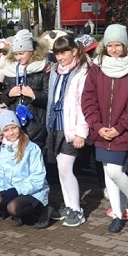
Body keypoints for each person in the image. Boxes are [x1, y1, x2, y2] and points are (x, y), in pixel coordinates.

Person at [81, 23, 128, 233]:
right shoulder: (97, 68)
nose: (115, 49)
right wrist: (97, 126)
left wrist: (120, 127)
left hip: (121, 131)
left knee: (116, 170)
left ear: (125, 45)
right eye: (111, 45)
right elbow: (88, 98)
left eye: (119, 45)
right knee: (108, 172)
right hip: (100, 130)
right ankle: (117, 213)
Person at [45, 34, 92, 227]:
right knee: (60, 167)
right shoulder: (56, 70)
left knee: (66, 167)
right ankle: (69, 205)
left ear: (74, 51)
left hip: (72, 125)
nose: (60, 57)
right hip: (56, 123)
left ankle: (77, 210)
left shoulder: (83, 71)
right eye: (57, 53)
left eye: (64, 52)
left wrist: (82, 132)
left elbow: (83, 103)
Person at [0, 110, 50, 228]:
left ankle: (44, 210)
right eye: (6, 130)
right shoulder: (0, 151)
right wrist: (4, 194)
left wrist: (17, 191)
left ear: (19, 127)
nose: (11, 133)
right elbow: (0, 177)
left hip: (33, 190)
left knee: (12, 207)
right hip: (12, 191)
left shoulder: (31, 148)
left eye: (14, 128)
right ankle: (20, 213)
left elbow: (38, 177)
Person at [2, 29, 50, 150]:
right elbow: (3, 96)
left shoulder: (43, 69)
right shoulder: (10, 70)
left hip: (37, 124)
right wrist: (9, 94)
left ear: (31, 51)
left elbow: (49, 97)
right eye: (16, 54)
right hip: (15, 125)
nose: (18, 57)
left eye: (22, 53)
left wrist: (34, 95)